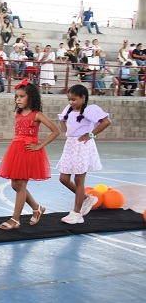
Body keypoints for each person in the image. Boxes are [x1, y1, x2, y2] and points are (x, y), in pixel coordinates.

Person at [0, 82, 61, 230]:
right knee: (15, 185)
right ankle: (37, 208)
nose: (18, 100)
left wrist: (39, 145)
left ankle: (15, 220)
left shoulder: (37, 114)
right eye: (17, 97)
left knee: (21, 186)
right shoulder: (17, 113)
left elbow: (55, 130)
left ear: (30, 98)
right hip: (16, 149)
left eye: (22, 97)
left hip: (29, 151)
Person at [56, 84, 111, 224]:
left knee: (79, 180)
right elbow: (62, 119)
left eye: (74, 99)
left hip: (83, 146)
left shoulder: (89, 110)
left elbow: (106, 122)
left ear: (83, 98)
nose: (71, 102)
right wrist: (68, 132)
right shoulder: (69, 109)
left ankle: (77, 213)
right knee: (63, 178)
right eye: (69, 99)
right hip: (70, 146)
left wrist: (91, 134)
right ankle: (87, 198)